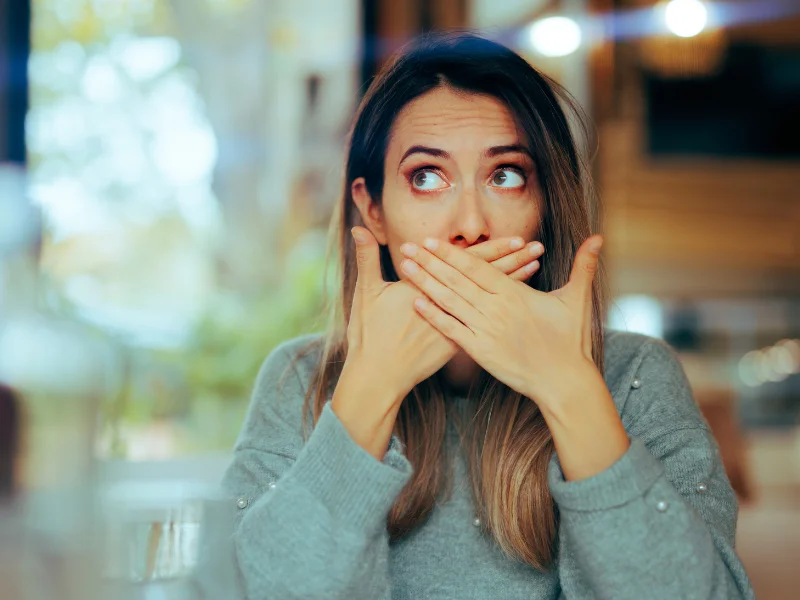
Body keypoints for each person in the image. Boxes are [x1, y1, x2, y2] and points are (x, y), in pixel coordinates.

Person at [220, 32, 755, 599]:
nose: (471, 226)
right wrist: (368, 390)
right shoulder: (300, 380)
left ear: (545, 207)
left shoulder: (634, 375)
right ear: (373, 210)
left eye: (506, 175)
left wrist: (569, 389)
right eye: (426, 177)